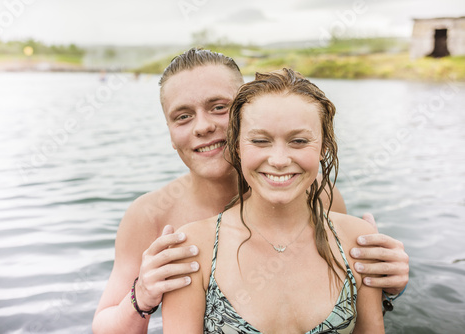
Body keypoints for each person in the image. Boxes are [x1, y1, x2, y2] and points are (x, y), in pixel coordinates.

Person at [92, 49, 408, 334]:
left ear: (245, 116)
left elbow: (346, 294)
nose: (202, 126)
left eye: (218, 107)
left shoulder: (320, 195)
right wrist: (142, 295)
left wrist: (388, 283)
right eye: (183, 116)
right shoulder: (152, 216)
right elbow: (103, 325)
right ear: (170, 134)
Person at [162, 68, 384, 333]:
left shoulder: (357, 242)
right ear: (237, 147)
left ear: (324, 146)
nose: (279, 160)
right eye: (260, 141)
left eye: (299, 141)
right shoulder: (193, 249)